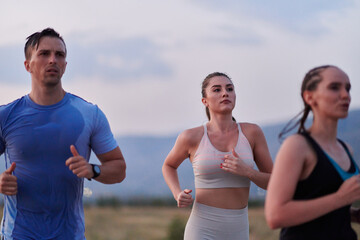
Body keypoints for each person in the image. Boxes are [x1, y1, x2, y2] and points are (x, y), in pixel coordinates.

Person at [0, 28, 126, 239]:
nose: (53, 60)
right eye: (44, 54)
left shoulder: (89, 114)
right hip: (17, 234)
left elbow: (119, 169)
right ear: (27, 65)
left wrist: (92, 170)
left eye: (59, 55)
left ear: (65, 65)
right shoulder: (6, 115)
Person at [162, 72, 273, 239]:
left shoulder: (252, 133)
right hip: (201, 229)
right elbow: (169, 166)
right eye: (217, 89)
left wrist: (248, 172)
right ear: (204, 101)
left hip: (239, 230)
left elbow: (275, 182)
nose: (225, 93)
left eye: (230, 89)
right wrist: (177, 193)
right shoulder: (191, 136)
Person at [265, 65, 360, 239]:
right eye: (334, 87)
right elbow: (275, 215)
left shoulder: (346, 149)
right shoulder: (297, 146)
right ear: (310, 97)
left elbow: (324, 207)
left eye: (348, 88)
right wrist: (340, 198)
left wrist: (353, 214)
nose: (345, 95)